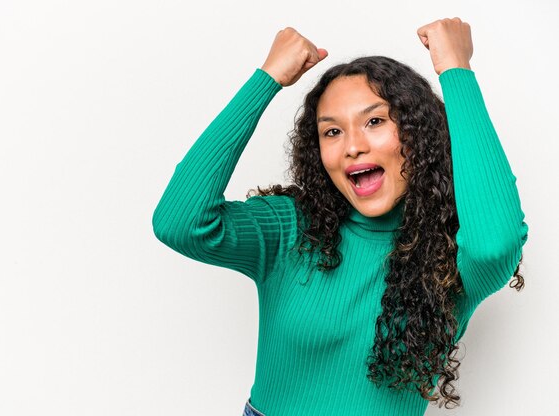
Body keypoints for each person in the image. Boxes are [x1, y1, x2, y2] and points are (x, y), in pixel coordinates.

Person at [153, 17, 528, 416]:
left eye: (375, 121)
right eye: (332, 132)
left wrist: (456, 70)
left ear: (420, 134)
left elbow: (495, 245)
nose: (352, 147)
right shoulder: (290, 228)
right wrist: (266, 80)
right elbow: (179, 222)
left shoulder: (450, 253)